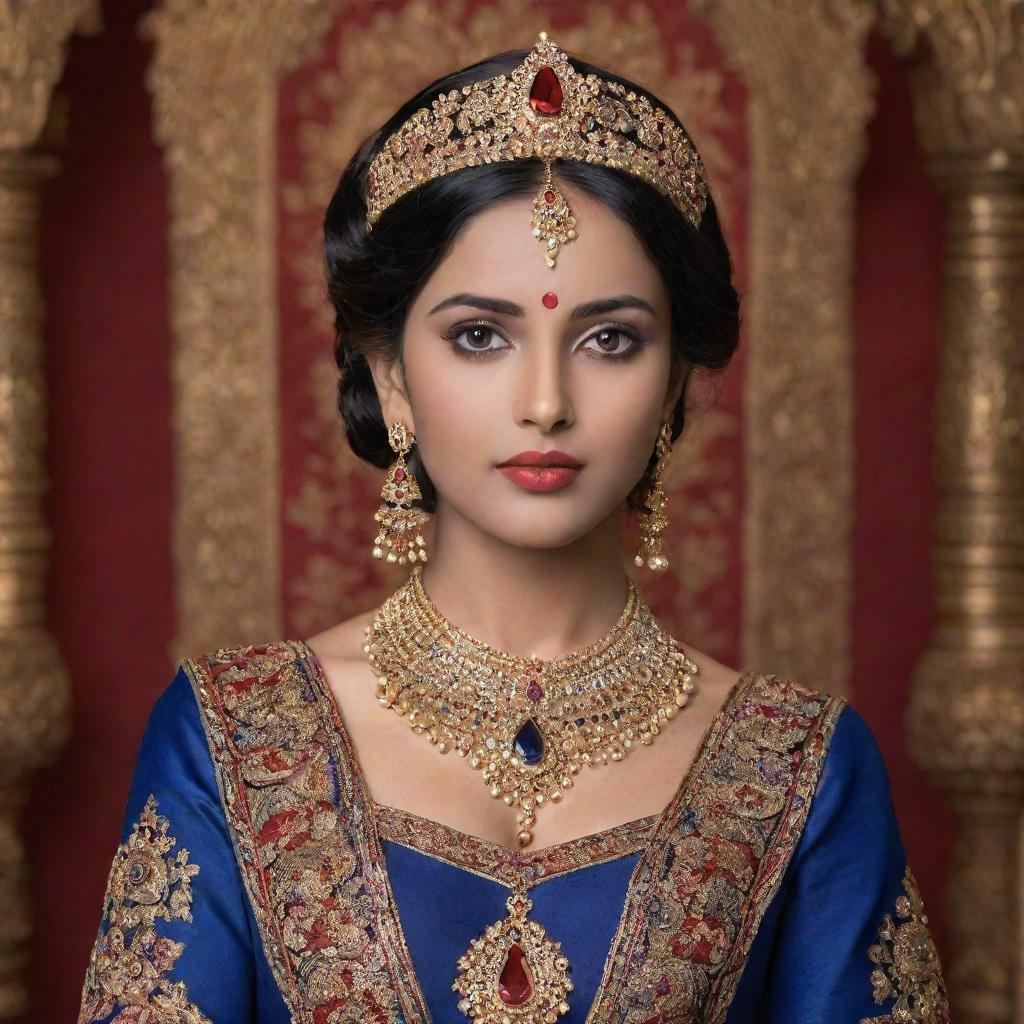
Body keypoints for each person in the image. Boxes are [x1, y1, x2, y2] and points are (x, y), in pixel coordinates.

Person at [77, 33, 949, 1024]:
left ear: (672, 386)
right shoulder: (233, 735)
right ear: (389, 377)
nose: (545, 402)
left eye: (609, 339)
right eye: (479, 336)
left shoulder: (797, 763)